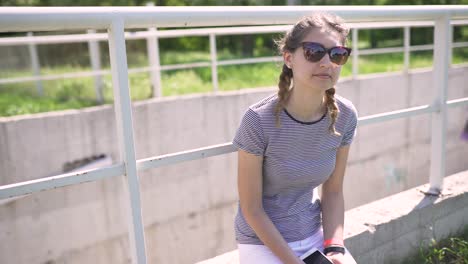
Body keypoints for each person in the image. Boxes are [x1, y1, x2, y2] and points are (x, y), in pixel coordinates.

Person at [232, 12, 358, 264]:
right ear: (289, 58)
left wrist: (334, 248)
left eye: (337, 54)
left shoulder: (345, 116)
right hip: (262, 242)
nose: (326, 63)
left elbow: (333, 192)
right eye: (314, 52)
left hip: (313, 235)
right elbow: (252, 209)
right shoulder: (258, 120)